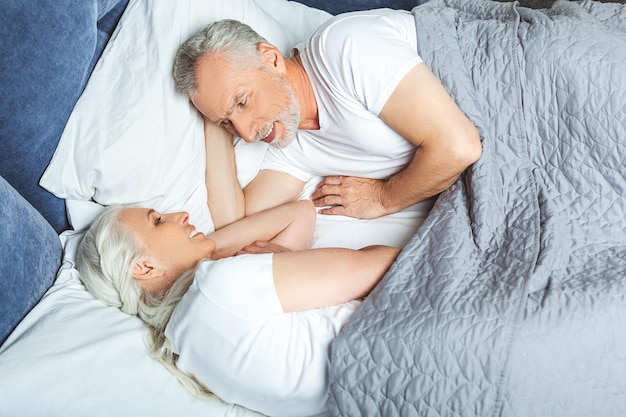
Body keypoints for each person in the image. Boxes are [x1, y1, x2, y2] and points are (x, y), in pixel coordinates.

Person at [75, 199, 400, 416]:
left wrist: (200, 250)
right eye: (159, 222)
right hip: (394, 343)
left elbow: (301, 214)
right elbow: (389, 263)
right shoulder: (218, 286)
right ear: (144, 268)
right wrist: (209, 258)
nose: (181, 215)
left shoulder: (185, 350)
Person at [173, 13, 482, 228]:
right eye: (228, 123)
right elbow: (235, 221)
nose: (246, 133)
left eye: (242, 102)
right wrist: (215, 123)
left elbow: (458, 146)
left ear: (271, 59)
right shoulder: (290, 144)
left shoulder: (341, 48)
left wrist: (384, 198)